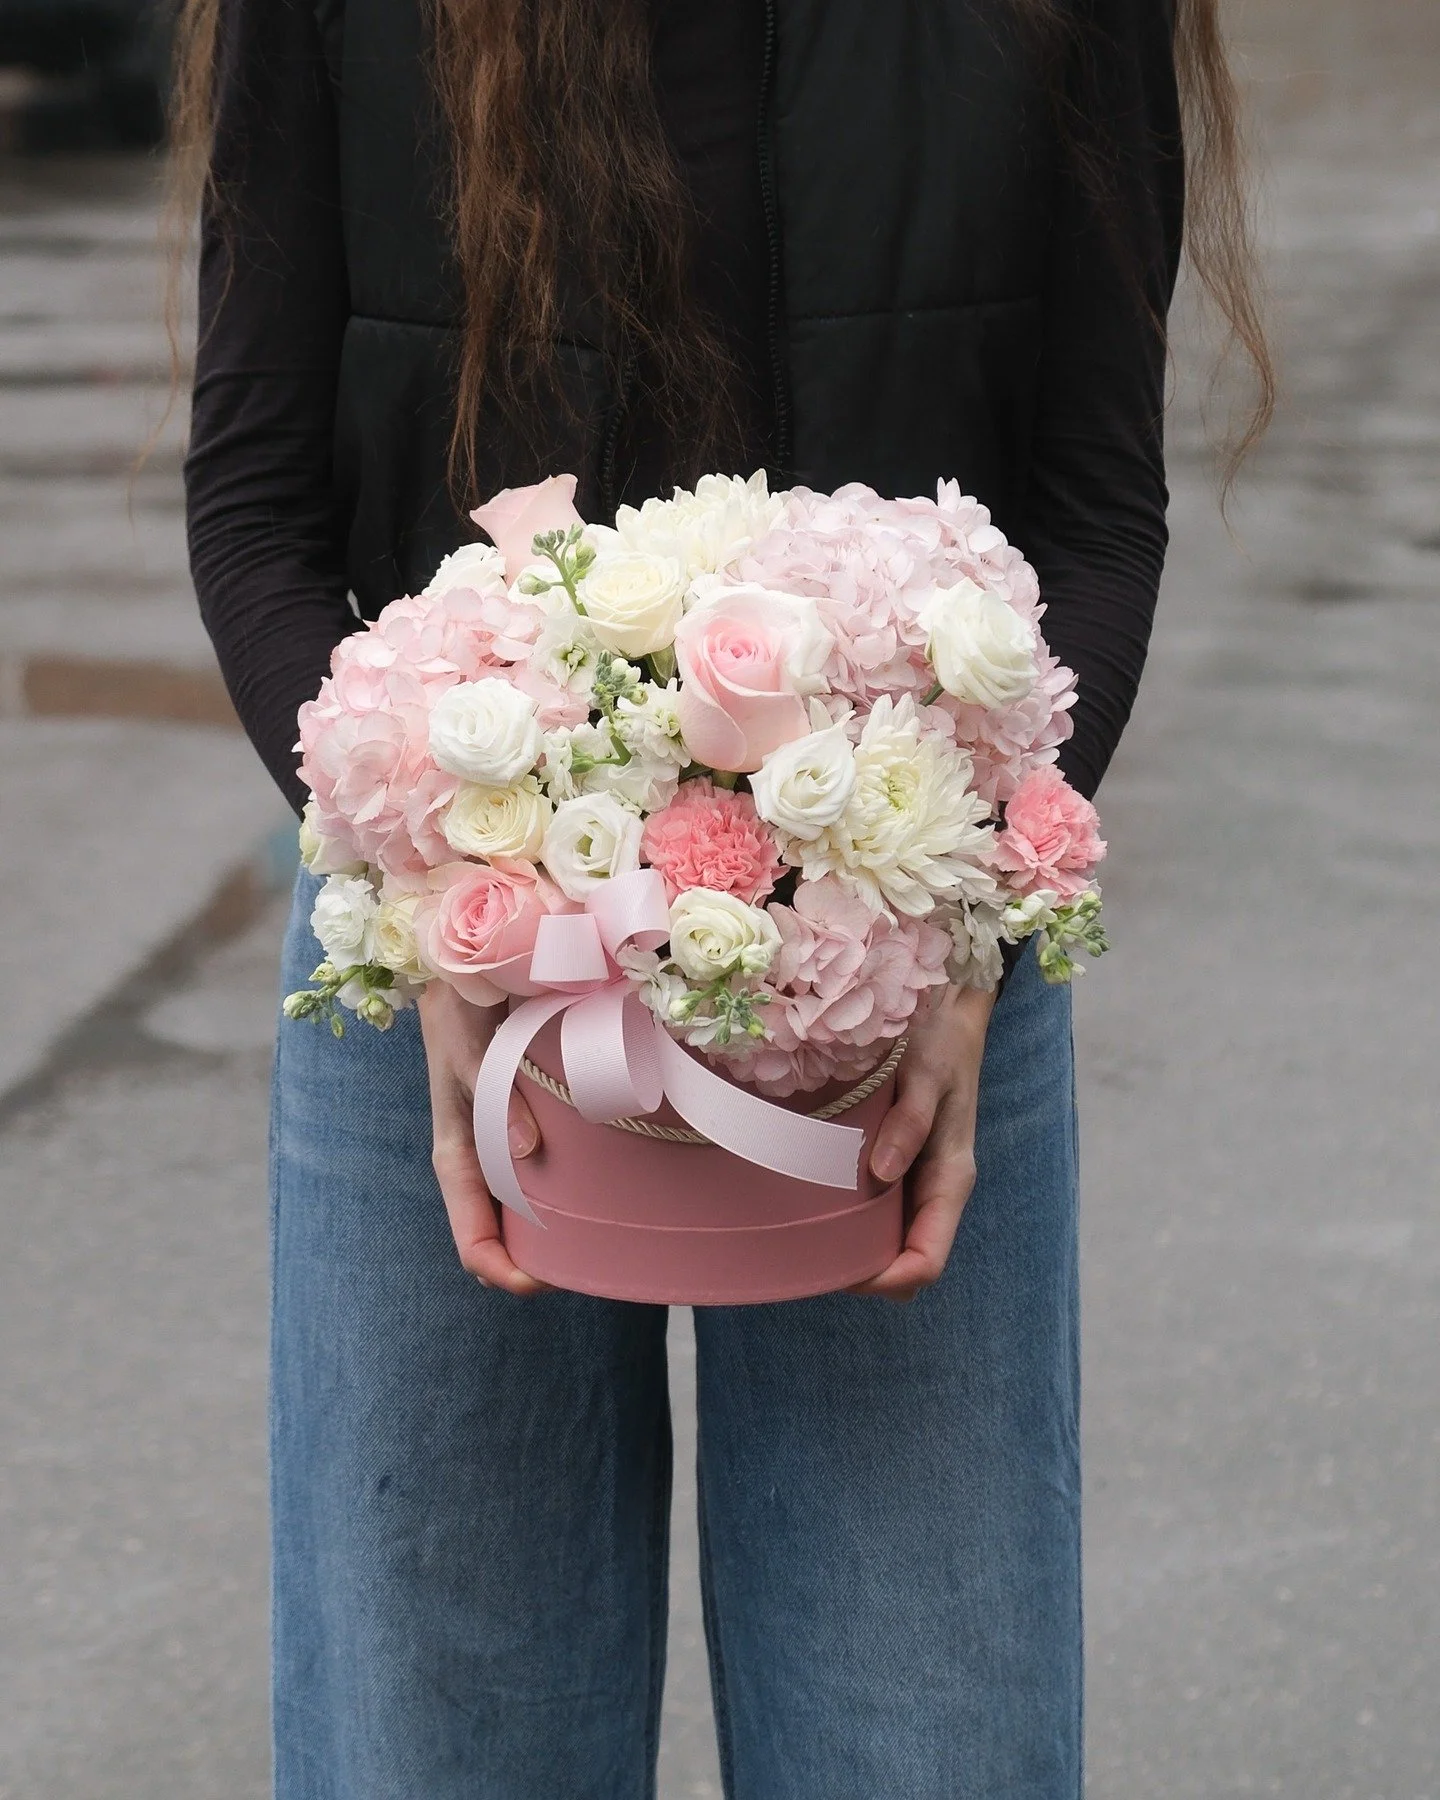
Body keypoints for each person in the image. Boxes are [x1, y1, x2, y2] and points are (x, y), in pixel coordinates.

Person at [178, 0, 1269, 1792]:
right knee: (431, 1743)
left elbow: (1092, 506)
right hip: (454, 959)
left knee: (928, 1737)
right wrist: (433, 896)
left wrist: (964, 929)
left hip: (903, 968)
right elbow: (255, 501)